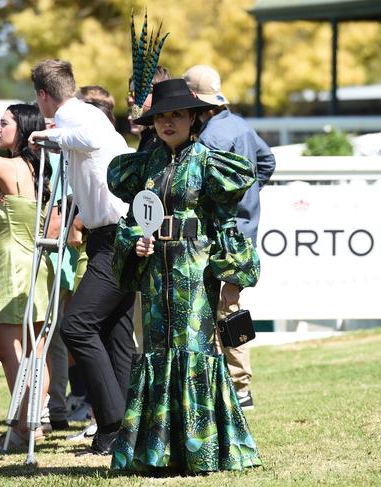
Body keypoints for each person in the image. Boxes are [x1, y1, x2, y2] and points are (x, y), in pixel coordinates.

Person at [107, 78, 262, 474]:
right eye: (161, 116)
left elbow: (226, 222)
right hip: (155, 276)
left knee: (194, 350)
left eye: (177, 114)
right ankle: (157, 452)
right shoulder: (144, 166)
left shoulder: (209, 163)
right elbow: (131, 223)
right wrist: (134, 244)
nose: (168, 122)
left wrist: (232, 272)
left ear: (195, 118)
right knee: (156, 351)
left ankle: (202, 450)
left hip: (194, 271)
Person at [27, 59, 134, 456]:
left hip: (115, 237)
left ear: (42, 96)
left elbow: (88, 135)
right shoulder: (76, 116)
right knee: (117, 334)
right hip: (110, 235)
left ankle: (112, 420)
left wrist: (49, 135)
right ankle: (120, 431)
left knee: (77, 327)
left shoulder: (79, 115)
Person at [184, 64, 276, 410]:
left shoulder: (209, 139)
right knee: (232, 307)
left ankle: (237, 387)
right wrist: (249, 195)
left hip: (220, 235)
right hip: (246, 233)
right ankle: (240, 386)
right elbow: (267, 162)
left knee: (222, 309)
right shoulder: (241, 125)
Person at [0, 103, 54, 449]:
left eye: (4, 123)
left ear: (23, 128)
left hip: (13, 262)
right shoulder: (39, 166)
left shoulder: (10, 165)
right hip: (38, 262)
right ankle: (36, 420)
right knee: (35, 347)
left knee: (6, 344)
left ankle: (25, 424)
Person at [127, 66, 170, 151]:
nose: (130, 99)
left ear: (155, 93)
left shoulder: (167, 136)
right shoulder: (148, 136)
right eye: (129, 93)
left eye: (135, 94)